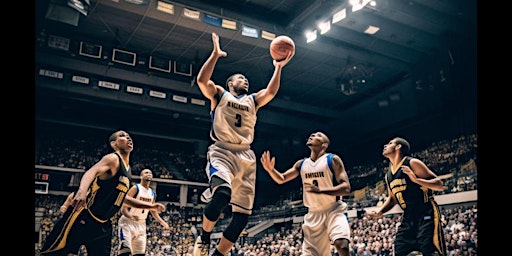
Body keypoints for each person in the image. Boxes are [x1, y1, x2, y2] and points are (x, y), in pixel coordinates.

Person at [192, 32, 293, 256]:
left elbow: (271, 92)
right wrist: (215, 55)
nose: (244, 80)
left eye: (246, 79)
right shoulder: (220, 94)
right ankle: (205, 237)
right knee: (222, 194)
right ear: (229, 83)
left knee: (242, 218)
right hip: (222, 151)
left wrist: (278, 67)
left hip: (246, 157)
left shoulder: (253, 100)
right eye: (240, 78)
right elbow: (201, 81)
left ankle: (218, 255)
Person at [40, 130, 166, 256]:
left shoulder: (128, 170)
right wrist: (82, 192)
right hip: (84, 215)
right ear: (114, 144)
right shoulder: (112, 159)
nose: (128, 138)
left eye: (129, 136)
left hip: (103, 224)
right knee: (56, 252)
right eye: (122, 136)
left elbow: (122, 198)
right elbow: (91, 172)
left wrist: (151, 206)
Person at [260, 131, 352, 256]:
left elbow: (346, 188)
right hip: (313, 213)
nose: (313, 135)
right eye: (312, 135)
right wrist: (271, 170)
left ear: (324, 145)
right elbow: (281, 179)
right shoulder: (301, 164)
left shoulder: (332, 159)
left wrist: (321, 191)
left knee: (342, 246)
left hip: (334, 209)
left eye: (318, 135)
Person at [366, 137, 447, 256]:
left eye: (390, 143)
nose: (385, 146)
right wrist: (381, 212)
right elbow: (393, 199)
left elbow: (440, 185)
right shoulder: (388, 175)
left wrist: (417, 180)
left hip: (426, 211)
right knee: (400, 249)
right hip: (408, 216)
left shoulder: (412, 163)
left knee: (430, 251)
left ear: (398, 147)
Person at [117, 168, 170, 256]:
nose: (149, 174)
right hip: (128, 222)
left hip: (141, 224)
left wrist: (162, 222)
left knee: (140, 254)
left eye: (150, 173)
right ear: (141, 176)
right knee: (125, 251)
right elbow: (123, 208)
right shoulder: (136, 188)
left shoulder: (152, 193)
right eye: (146, 172)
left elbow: (153, 210)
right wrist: (131, 216)